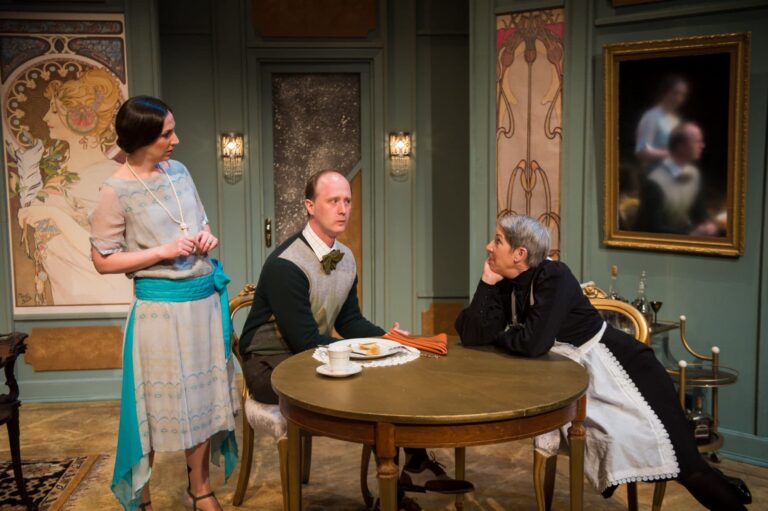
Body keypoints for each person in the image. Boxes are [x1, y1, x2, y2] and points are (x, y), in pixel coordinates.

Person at [455, 214, 751, 510]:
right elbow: (472, 334)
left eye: (497, 241)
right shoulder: (508, 283)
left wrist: (500, 335)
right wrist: (486, 282)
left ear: (520, 254)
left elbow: (533, 343)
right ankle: (721, 481)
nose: (488, 247)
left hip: (629, 371)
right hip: (578, 379)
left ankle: (722, 489)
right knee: (669, 459)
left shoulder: (554, 276)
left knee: (688, 467)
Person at [239, 169, 473, 510]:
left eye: (347, 200)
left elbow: (349, 321)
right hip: (269, 364)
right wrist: (366, 352)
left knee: (394, 373)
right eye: (333, 201)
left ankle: (411, 468)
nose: (343, 208)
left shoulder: (345, 257)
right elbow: (305, 340)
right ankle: (393, 487)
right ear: (310, 206)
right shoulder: (285, 264)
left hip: (308, 354)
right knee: (368, 387)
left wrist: (388, 339)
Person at [89, 96, 238, 511]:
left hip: (202, 305)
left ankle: (200, 488)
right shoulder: (114, 190)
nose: (176, 139)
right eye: (166, 134)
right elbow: (102, 260)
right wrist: (161, 252)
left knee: (205, 400)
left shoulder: (180, 172)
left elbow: (200, 222)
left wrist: (207, 236)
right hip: (158, 312)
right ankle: (143, 496)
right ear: (141, 140)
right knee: (154, 408)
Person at [12, 68, 132, 305]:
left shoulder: (108, 177)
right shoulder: (58, 175)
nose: (46, 118)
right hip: (65, 294)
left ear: (80, 119)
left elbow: (112, 251)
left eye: (55, 111)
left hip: (104, 295)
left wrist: (53, 215)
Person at [636, 123, 720, 236]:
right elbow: (653, 229)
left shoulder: (694, 174)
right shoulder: (655, 182)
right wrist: (690, 234)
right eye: (697, 141)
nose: (702, 145)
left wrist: (708, 223)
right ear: (681, 147)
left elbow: (698, 210)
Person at [635, 75, 688, 166]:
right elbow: (642, 152)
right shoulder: (652, 117)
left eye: (682, 95)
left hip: (674, 167)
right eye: (675, 93)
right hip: (654, 169)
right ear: (665, 92)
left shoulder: (677, 119)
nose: (679, 98)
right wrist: (671, 154)